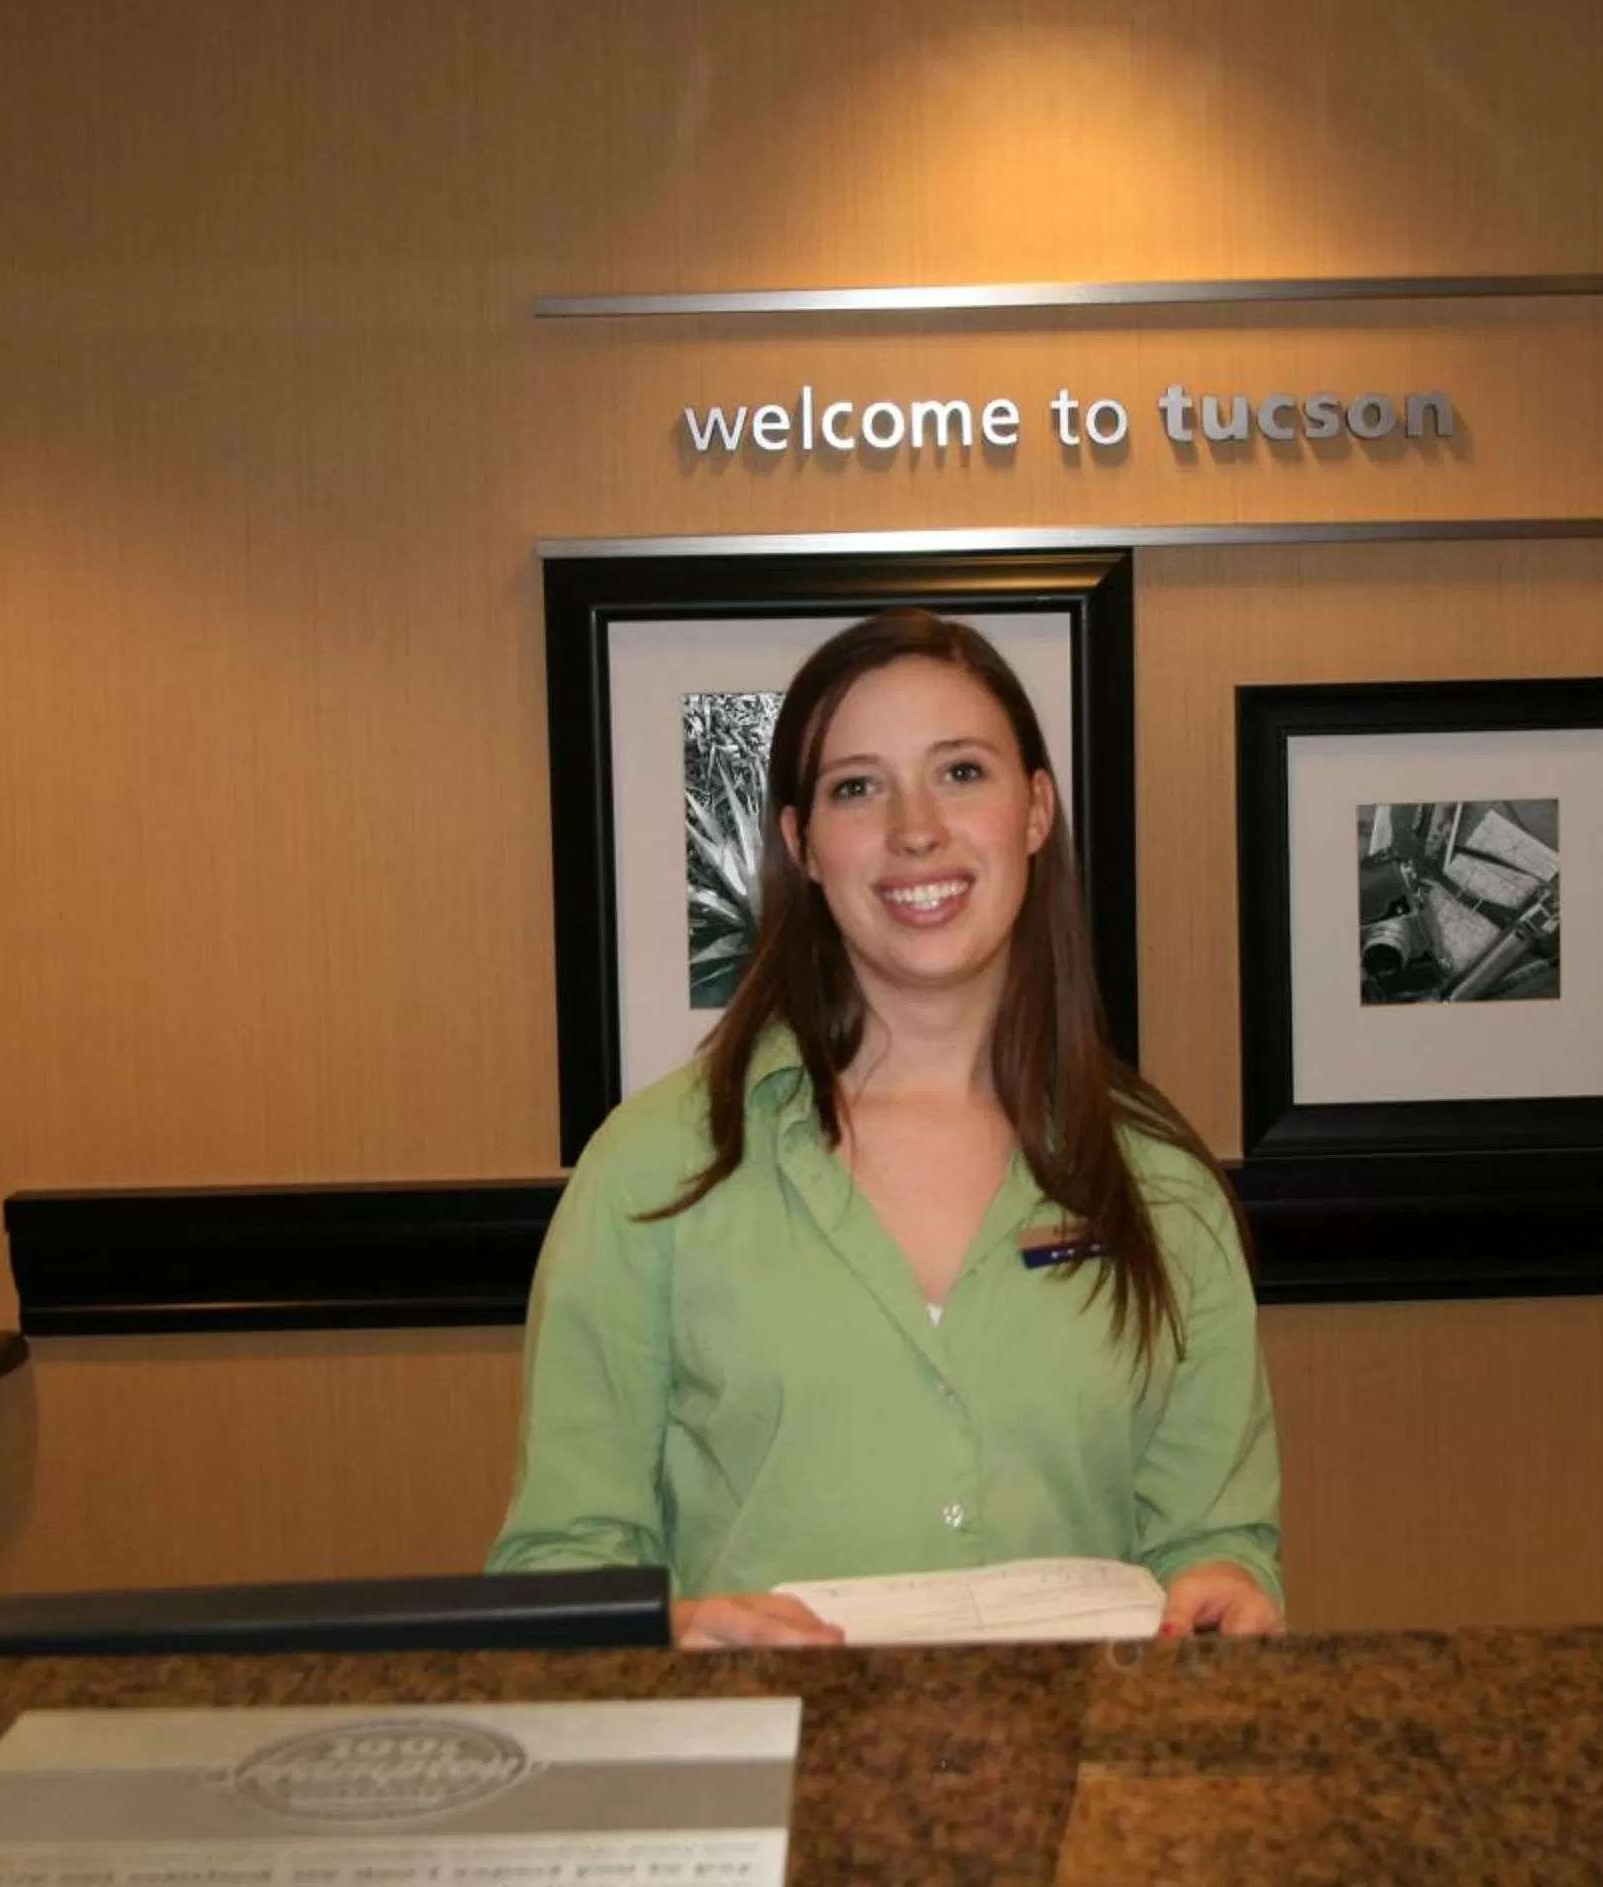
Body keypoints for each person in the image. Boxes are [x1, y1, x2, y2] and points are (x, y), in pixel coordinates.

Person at [488, 608, 1282, 1648]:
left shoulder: (1163, 1183)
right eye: (857, 787)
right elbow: (560, 1562)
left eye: (962, 772)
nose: (916, 828)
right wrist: (670, 1633)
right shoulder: (652, 1171)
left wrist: (1226, 1584)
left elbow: (1214, 1538)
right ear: (801, 846)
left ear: (1036, 811)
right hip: (764, 1746)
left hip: (1088, 1751)